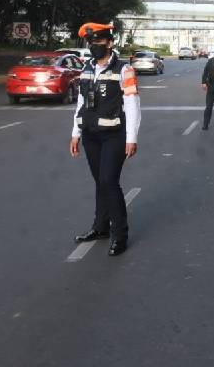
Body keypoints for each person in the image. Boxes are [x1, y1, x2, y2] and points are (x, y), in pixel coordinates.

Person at [70, 23, 141, 257]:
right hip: (91, 135)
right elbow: (82, 102)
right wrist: (75, 133)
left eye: (99, 42)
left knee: (109, 182)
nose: (94, 47)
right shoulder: (87, 68)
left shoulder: (124, 69)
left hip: (114, 136)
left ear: (110, 43)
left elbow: (132, 104)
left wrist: (132, 138)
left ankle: (120, 235)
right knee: (100, 183)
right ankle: (100, 228)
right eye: (91, 43)